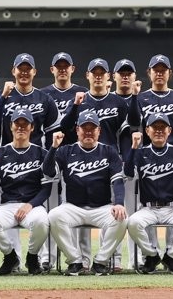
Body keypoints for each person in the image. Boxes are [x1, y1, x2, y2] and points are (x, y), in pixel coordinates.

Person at [44, 110, 128, 276]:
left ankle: (100, 261)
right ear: (77, 130)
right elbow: (48, 172)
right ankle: (75, 261)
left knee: (122, 219)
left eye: (92, 128)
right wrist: (53, 147)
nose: (88, 132)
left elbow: (118, 181)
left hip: (101, 207)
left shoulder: (109, 151)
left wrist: (119, 203)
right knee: (53, 216)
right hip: (72, 207)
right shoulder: (65, 151)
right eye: (84, 128)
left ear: (99, 130)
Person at [0, 108, 52, 276]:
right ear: (11, 127)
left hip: (33, 206)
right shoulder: (0, 153)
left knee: (42, 222)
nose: (21, 128)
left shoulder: (41, 153)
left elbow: (46, 188)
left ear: (32, 128)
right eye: (17, 124)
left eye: (25, 124)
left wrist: (30, 205)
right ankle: (10, 256)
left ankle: (32, 257)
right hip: (8, 205)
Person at [126, 113, 173, 275]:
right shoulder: (140, 152)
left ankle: (172, 256)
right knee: (132, 222)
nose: (159, 131)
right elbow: (128, 172)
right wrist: (133, 147)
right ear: (147, 131)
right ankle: (151, 256)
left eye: (162, 127)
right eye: (155, 127)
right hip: (148, 209)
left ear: (169, 131)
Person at [133, 55, 173, 163]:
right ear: (149, 72)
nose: (159, 73)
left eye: (163, 70)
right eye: (156, 70)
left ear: (169, 73)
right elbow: (134, 127)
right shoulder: (140, 99)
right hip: (148, 156)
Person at [0, 53, 57, 147]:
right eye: (20, 68)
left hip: (36, 156)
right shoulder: (1, 95)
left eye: (28, 69)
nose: (24, 72)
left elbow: (51, 132)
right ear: (13, 71)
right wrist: (4, 97)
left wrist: (48, 156)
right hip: (7, 154)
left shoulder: (45, 98)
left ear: (34, 72)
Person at [41, 52, 87, 147]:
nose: (62, 70)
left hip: (75, 148)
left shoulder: (83, 92)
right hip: (50, 148)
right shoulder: (43, 94)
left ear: (72, 69)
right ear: (52, 69)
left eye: (66, 66)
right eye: (58, 67)